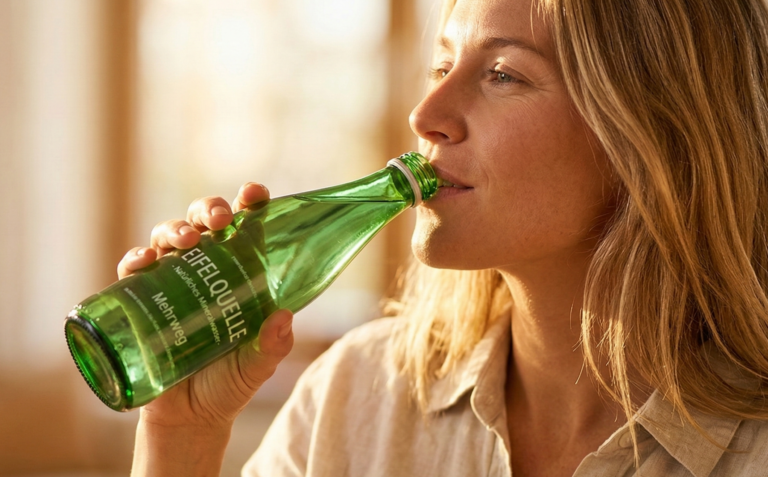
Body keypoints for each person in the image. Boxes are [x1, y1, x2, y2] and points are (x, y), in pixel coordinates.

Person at [119, 0, 768, 475]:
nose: (424, 116)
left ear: (649, 133)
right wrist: (183, 435)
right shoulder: (357, 396)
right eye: (442, 66)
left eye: (503, 75)